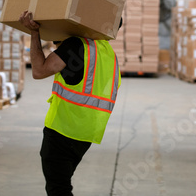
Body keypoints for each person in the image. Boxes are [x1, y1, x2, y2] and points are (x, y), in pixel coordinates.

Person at [18, 10, 121, 196]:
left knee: (58, 189)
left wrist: (34, 33)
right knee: (62, 185)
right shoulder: (108, 54)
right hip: (87, 134)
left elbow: (39, 71)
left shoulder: (76, 46)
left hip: (62, 130)